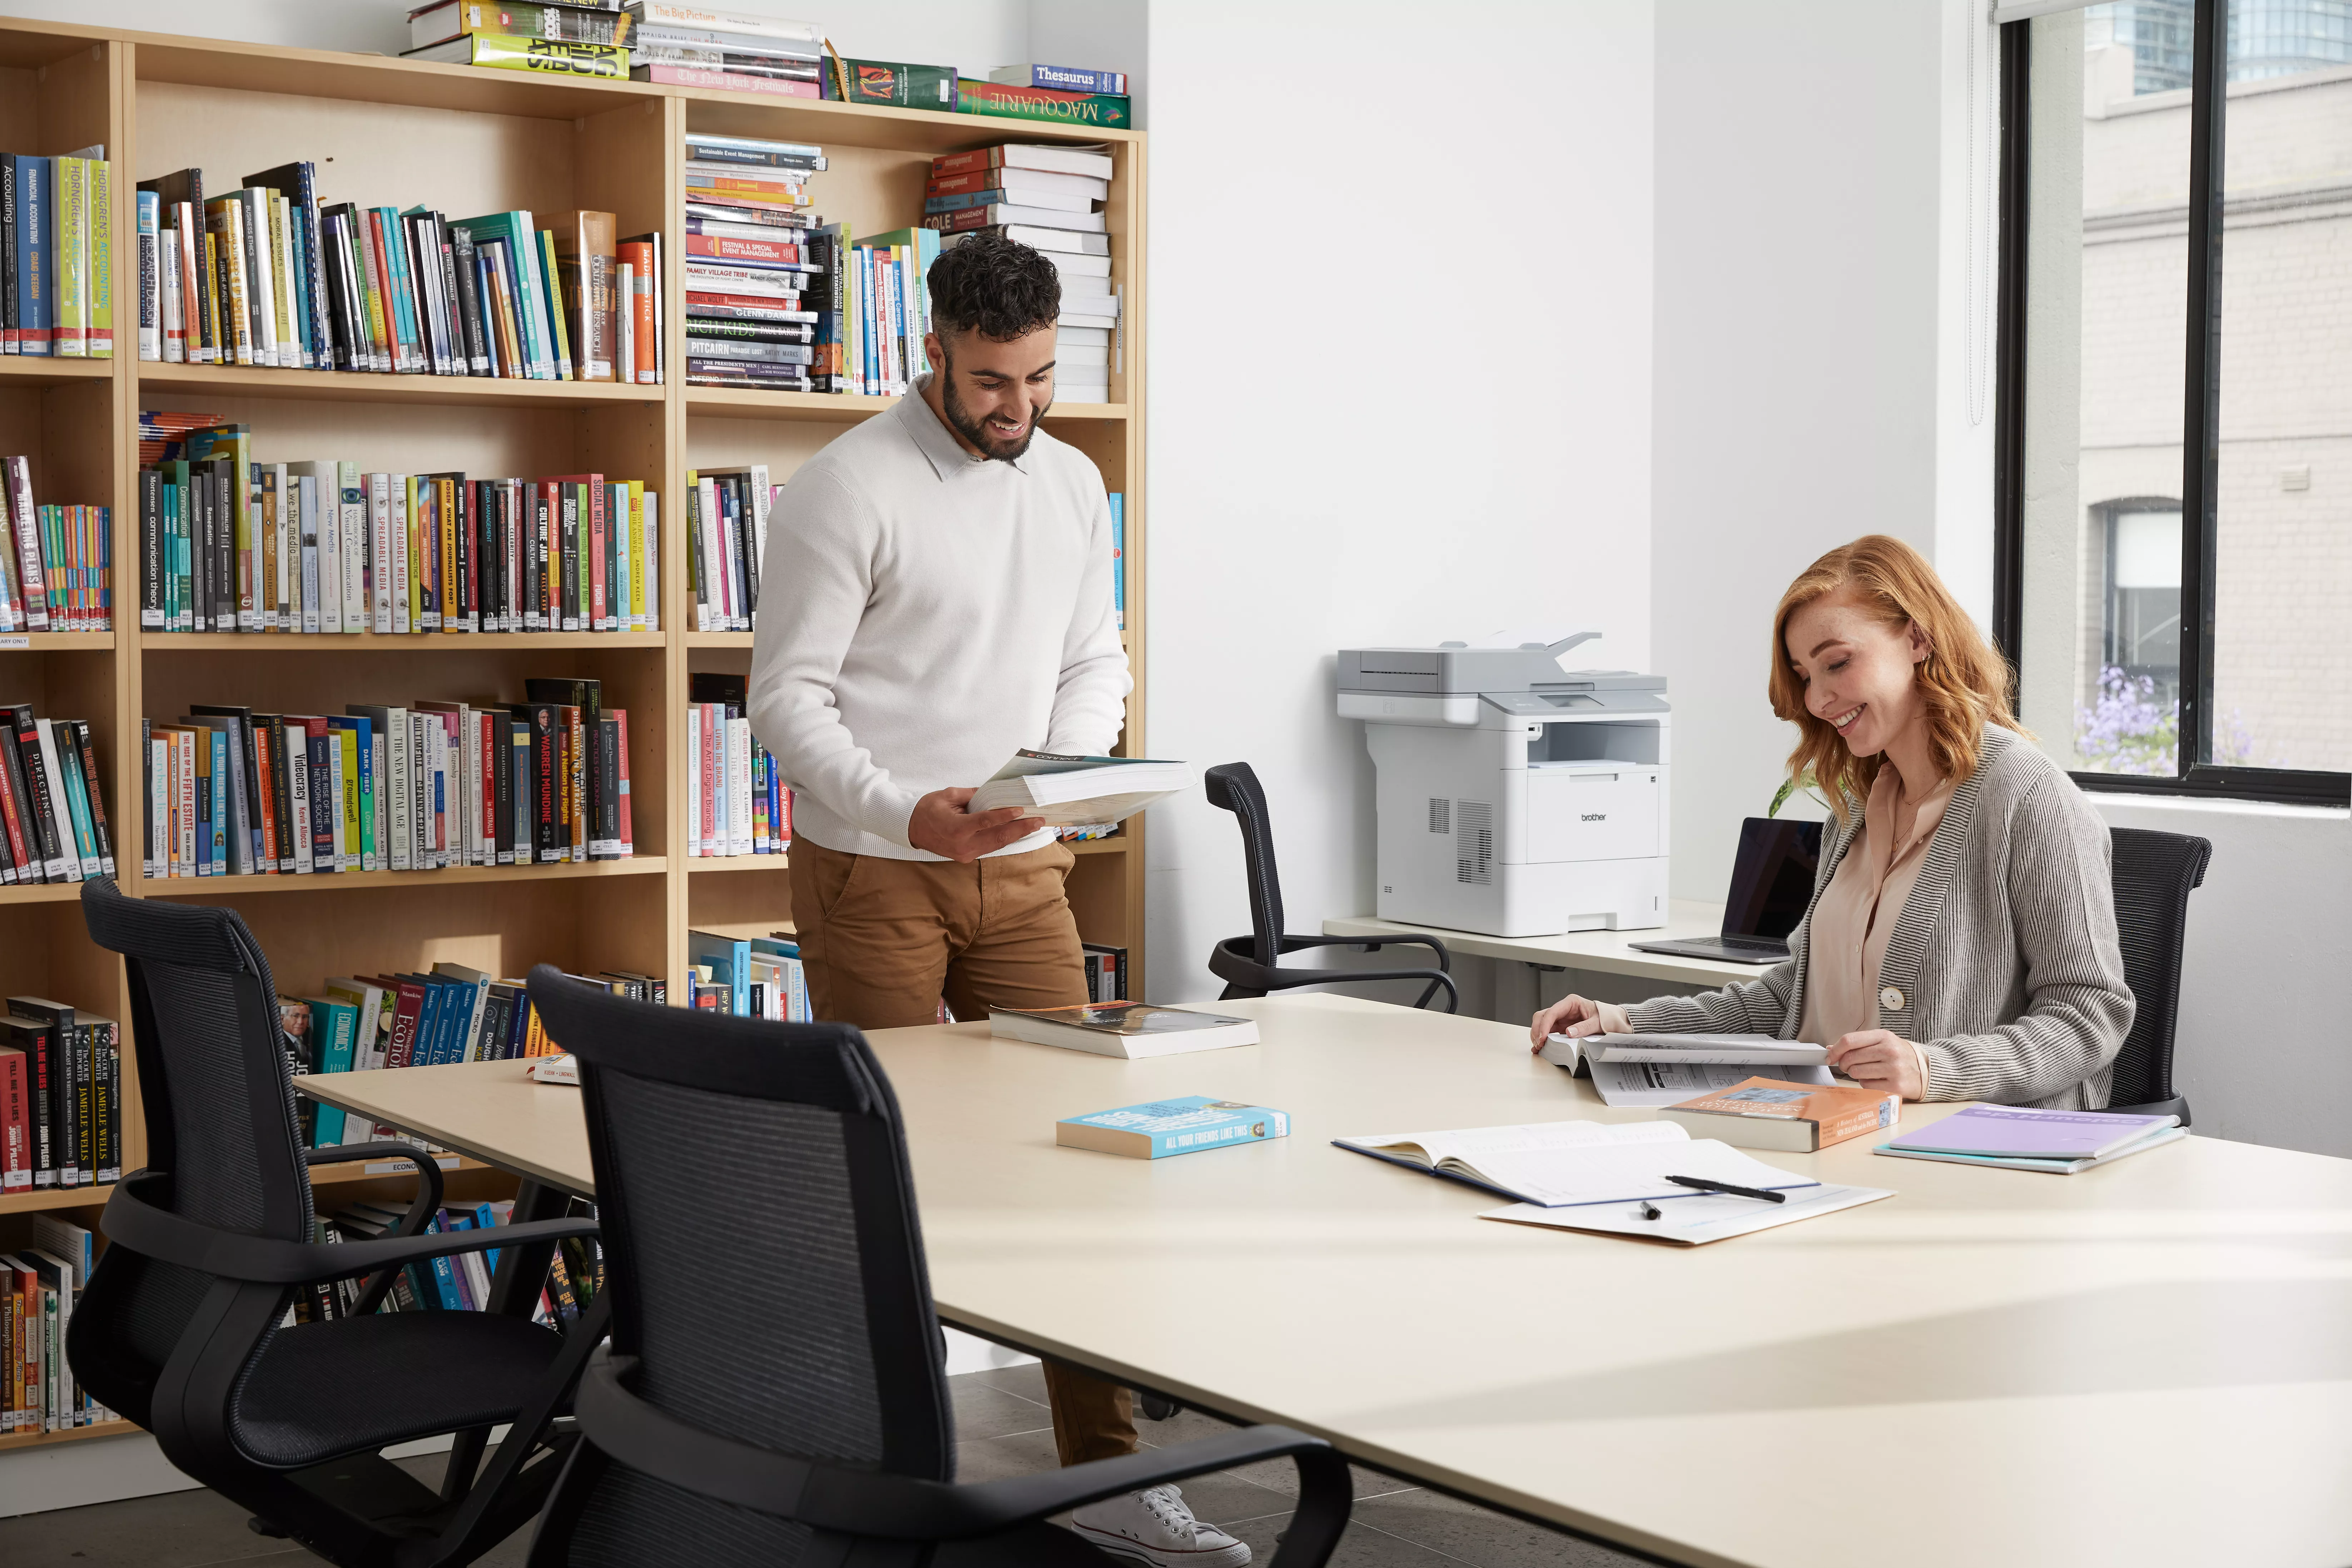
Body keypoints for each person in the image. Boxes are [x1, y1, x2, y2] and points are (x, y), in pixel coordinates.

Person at [748, 233, 1252, 1568]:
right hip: (877, 872)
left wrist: (1065, 775)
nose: (1015, 408)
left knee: (1084, 1163)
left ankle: (1118, 1481)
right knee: (887, 1182)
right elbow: (785, 697)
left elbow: (1098, 655)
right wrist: (904, 806)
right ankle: (875, 1483)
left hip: (1027, 866)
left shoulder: (1074, 480)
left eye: (1035, 377)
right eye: (989, 381)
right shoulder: (845, 489)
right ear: (934, 349)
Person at [1533, 534, 2133, 1107]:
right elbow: (1789, 998)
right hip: (1829, 1126)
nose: (1818, 700)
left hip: (1959, 1152)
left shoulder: (2027, 796)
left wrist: (1934, 1070)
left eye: (1837, 663)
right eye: (1804, 676)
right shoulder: (1855, 808)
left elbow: (2091, 1013)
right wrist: (1623, 1023)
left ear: (1918, 639)